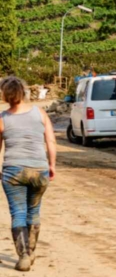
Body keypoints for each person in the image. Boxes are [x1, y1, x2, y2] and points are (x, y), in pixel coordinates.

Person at [0, 77, 56, 272]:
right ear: (23, 93)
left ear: (5, 95)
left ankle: (23, 255)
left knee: (18, 213)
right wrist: (52, 165)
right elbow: (50, 141)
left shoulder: (2, 118)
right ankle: (31, 251)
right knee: (34, 211)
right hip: (39, 170)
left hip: (13, 171)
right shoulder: (40, 113)